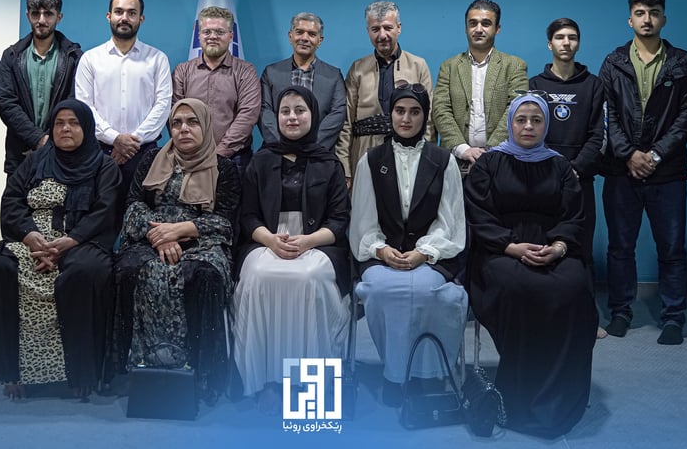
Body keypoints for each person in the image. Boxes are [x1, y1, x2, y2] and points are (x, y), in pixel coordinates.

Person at [464, 94, 596, 439]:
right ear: (510, 123)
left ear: (546, 125)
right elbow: (477, 215)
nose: (528, 126)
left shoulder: (561, 167)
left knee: (574, 288)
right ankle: (518, 395)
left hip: (553, 248)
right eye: (521, 119)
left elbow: (574, 216)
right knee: (521, 288)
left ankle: (561, 395)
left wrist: (558, 246)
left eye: (536, 120)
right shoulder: (489, 164)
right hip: (499, 251)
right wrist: (511, 246)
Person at [0, 99, 121, 398]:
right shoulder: (35, 161)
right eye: (59, 123)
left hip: (81, 241)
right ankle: (12, 371)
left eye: (74, 123)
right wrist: (30, 236)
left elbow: (105, 211)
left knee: (83, 273)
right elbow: (12, 201)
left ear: (87, 128)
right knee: (0, 272)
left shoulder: (103, 166)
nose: (65, 129)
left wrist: (70, 241)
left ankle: (81, 372)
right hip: (31, 241)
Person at [114, 98, 241, 404]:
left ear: (205, 126)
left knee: (205, 276)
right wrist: (161, 236)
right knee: (128, 271)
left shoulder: (224, 168)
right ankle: (133, 369)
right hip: (150, 238)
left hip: (202, 242)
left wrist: (180, 230)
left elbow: (226, 221)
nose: (184, 129)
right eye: (177, 123)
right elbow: (133, 205)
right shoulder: (151, 160)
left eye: (192, 122)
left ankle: (204, 371)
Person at [234, 86, 351, 413]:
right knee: (258, 274)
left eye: (300, 110)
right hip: (266, 241)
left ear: (313, 115)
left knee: (308, 277)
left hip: (318, 244)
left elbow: (339, 220)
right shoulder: (261, 161)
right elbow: (247, 216)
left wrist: (308, 241)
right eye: (285, 111)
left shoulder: (329, 163)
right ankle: (265, 380)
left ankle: (309, 381)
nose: (292, 117)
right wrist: (270, 239)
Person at [349, 83, 466, 407]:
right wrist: (380, 249)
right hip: (381, 254)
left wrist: (424, 253)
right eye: (400, 111)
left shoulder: (443, 161)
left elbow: (450, 222)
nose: (406, 118)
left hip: (431, 255)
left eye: (415, 112)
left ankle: (428, 373)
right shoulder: (371, 160)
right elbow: (363, 221)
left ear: (425, 116)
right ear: (390, 114)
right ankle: (395, 373)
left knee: (427, 291)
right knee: (383, 290)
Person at [598, 0, 687, 345]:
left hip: (667, 171)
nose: (647, 19)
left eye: (654, 12)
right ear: (630, 20)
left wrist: (655, 155)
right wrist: (629, 154)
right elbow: (606, 113)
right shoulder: (613, 62)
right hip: (621, 170)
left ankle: (673, 317)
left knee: (672, 248)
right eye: (640, 13)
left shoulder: (681, 62)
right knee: (620, 247)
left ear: (663, 18)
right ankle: (621, 311)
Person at [528, 17, 606, 337]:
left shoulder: (594, 85)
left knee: (580, 248)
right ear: (550, 44)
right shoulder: (535, 85)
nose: (566, 42)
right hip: (543, 179)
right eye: (559, 37)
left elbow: (599, 135)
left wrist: (575, 169)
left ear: (578, 43)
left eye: (572, 37)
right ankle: (545, 315)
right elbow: (530, 132)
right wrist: (553, 170)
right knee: (542, 246)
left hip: (580, 180)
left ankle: (587, 318)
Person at [75, 0, 171, 195]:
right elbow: (85, 107)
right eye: (119, 12)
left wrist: (132, 141)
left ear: (141, 18)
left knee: (142, 211)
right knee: (101, 211)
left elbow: (163, 106)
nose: (124, 18)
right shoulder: (90, 59)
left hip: (145, 152)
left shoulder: (158, 59)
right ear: (109, 16)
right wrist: (115, 138)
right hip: (99, 152)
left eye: (132, 13)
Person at [337, 1, 434, 187]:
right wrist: (344, 167)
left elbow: (428, 119)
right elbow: (346, 121)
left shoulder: (418, 65)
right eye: (375, 29)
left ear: (399, 28)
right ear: (368, 31)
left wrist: (426, 161)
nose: (382, 35)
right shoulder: (357, 69)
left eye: (388, 28)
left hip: (409, 152)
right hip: (364, 151)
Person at [432, 0, 528, 172]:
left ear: (497, 29)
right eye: (473, 23)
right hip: (456, 162)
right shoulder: (449, 66)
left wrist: (491, 151)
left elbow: (516, 109)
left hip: (502, 162)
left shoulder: (514, 65)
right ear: (466, 28)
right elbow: (440, 109)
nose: (478, 29)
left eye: (486, 23)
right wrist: (462, 149)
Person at [0, 0, 83, 178]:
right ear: (28, 15)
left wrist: (51, 141)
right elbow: (6, 103)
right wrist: (37, 138)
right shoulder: (11, 55)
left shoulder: (74, 57)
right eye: (36, 14)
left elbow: (74, 101)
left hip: (61, 151)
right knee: (16, 198)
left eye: (48, 14)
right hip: (20, 152)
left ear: (59, 17)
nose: (42, 20)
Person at [171, 6, 261, 176]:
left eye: (220, 32)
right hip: (189, 158)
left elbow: (248, 115)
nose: (213, 36)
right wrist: (192, 149)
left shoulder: (245, 71)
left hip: (234, 159)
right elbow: (174, 114)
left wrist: (219, 153)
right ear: (199, 35)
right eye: (207, 32)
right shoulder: (181, 71)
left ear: (231, 36)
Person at [258, 12, 346, 151]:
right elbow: (264, 111)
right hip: (277, 153)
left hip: (318, 155)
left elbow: (338, 114)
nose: (304, 38)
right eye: (299, 32)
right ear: (290, 36)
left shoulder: (333, 76)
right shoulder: (271, 73)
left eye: (311, 34)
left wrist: (311, 149)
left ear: (320, 40)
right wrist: (284, 147)